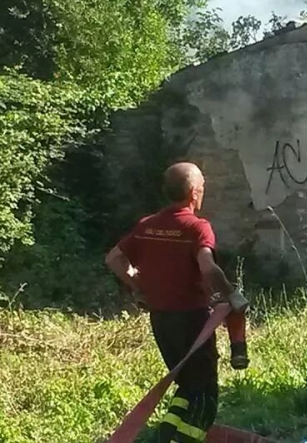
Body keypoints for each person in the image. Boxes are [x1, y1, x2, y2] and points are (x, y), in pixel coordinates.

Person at [105, 161, 249, 443]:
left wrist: (138, 288)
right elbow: (208, 268)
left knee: (186, 385)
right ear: (194, 192)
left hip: (160, 320)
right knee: (205, 394)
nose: (203, 191)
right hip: (191, 320)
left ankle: (164, 437)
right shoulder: (197, 227)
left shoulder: (147, 225)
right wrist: (232, 295)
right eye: (202, 187)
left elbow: (114, 259)